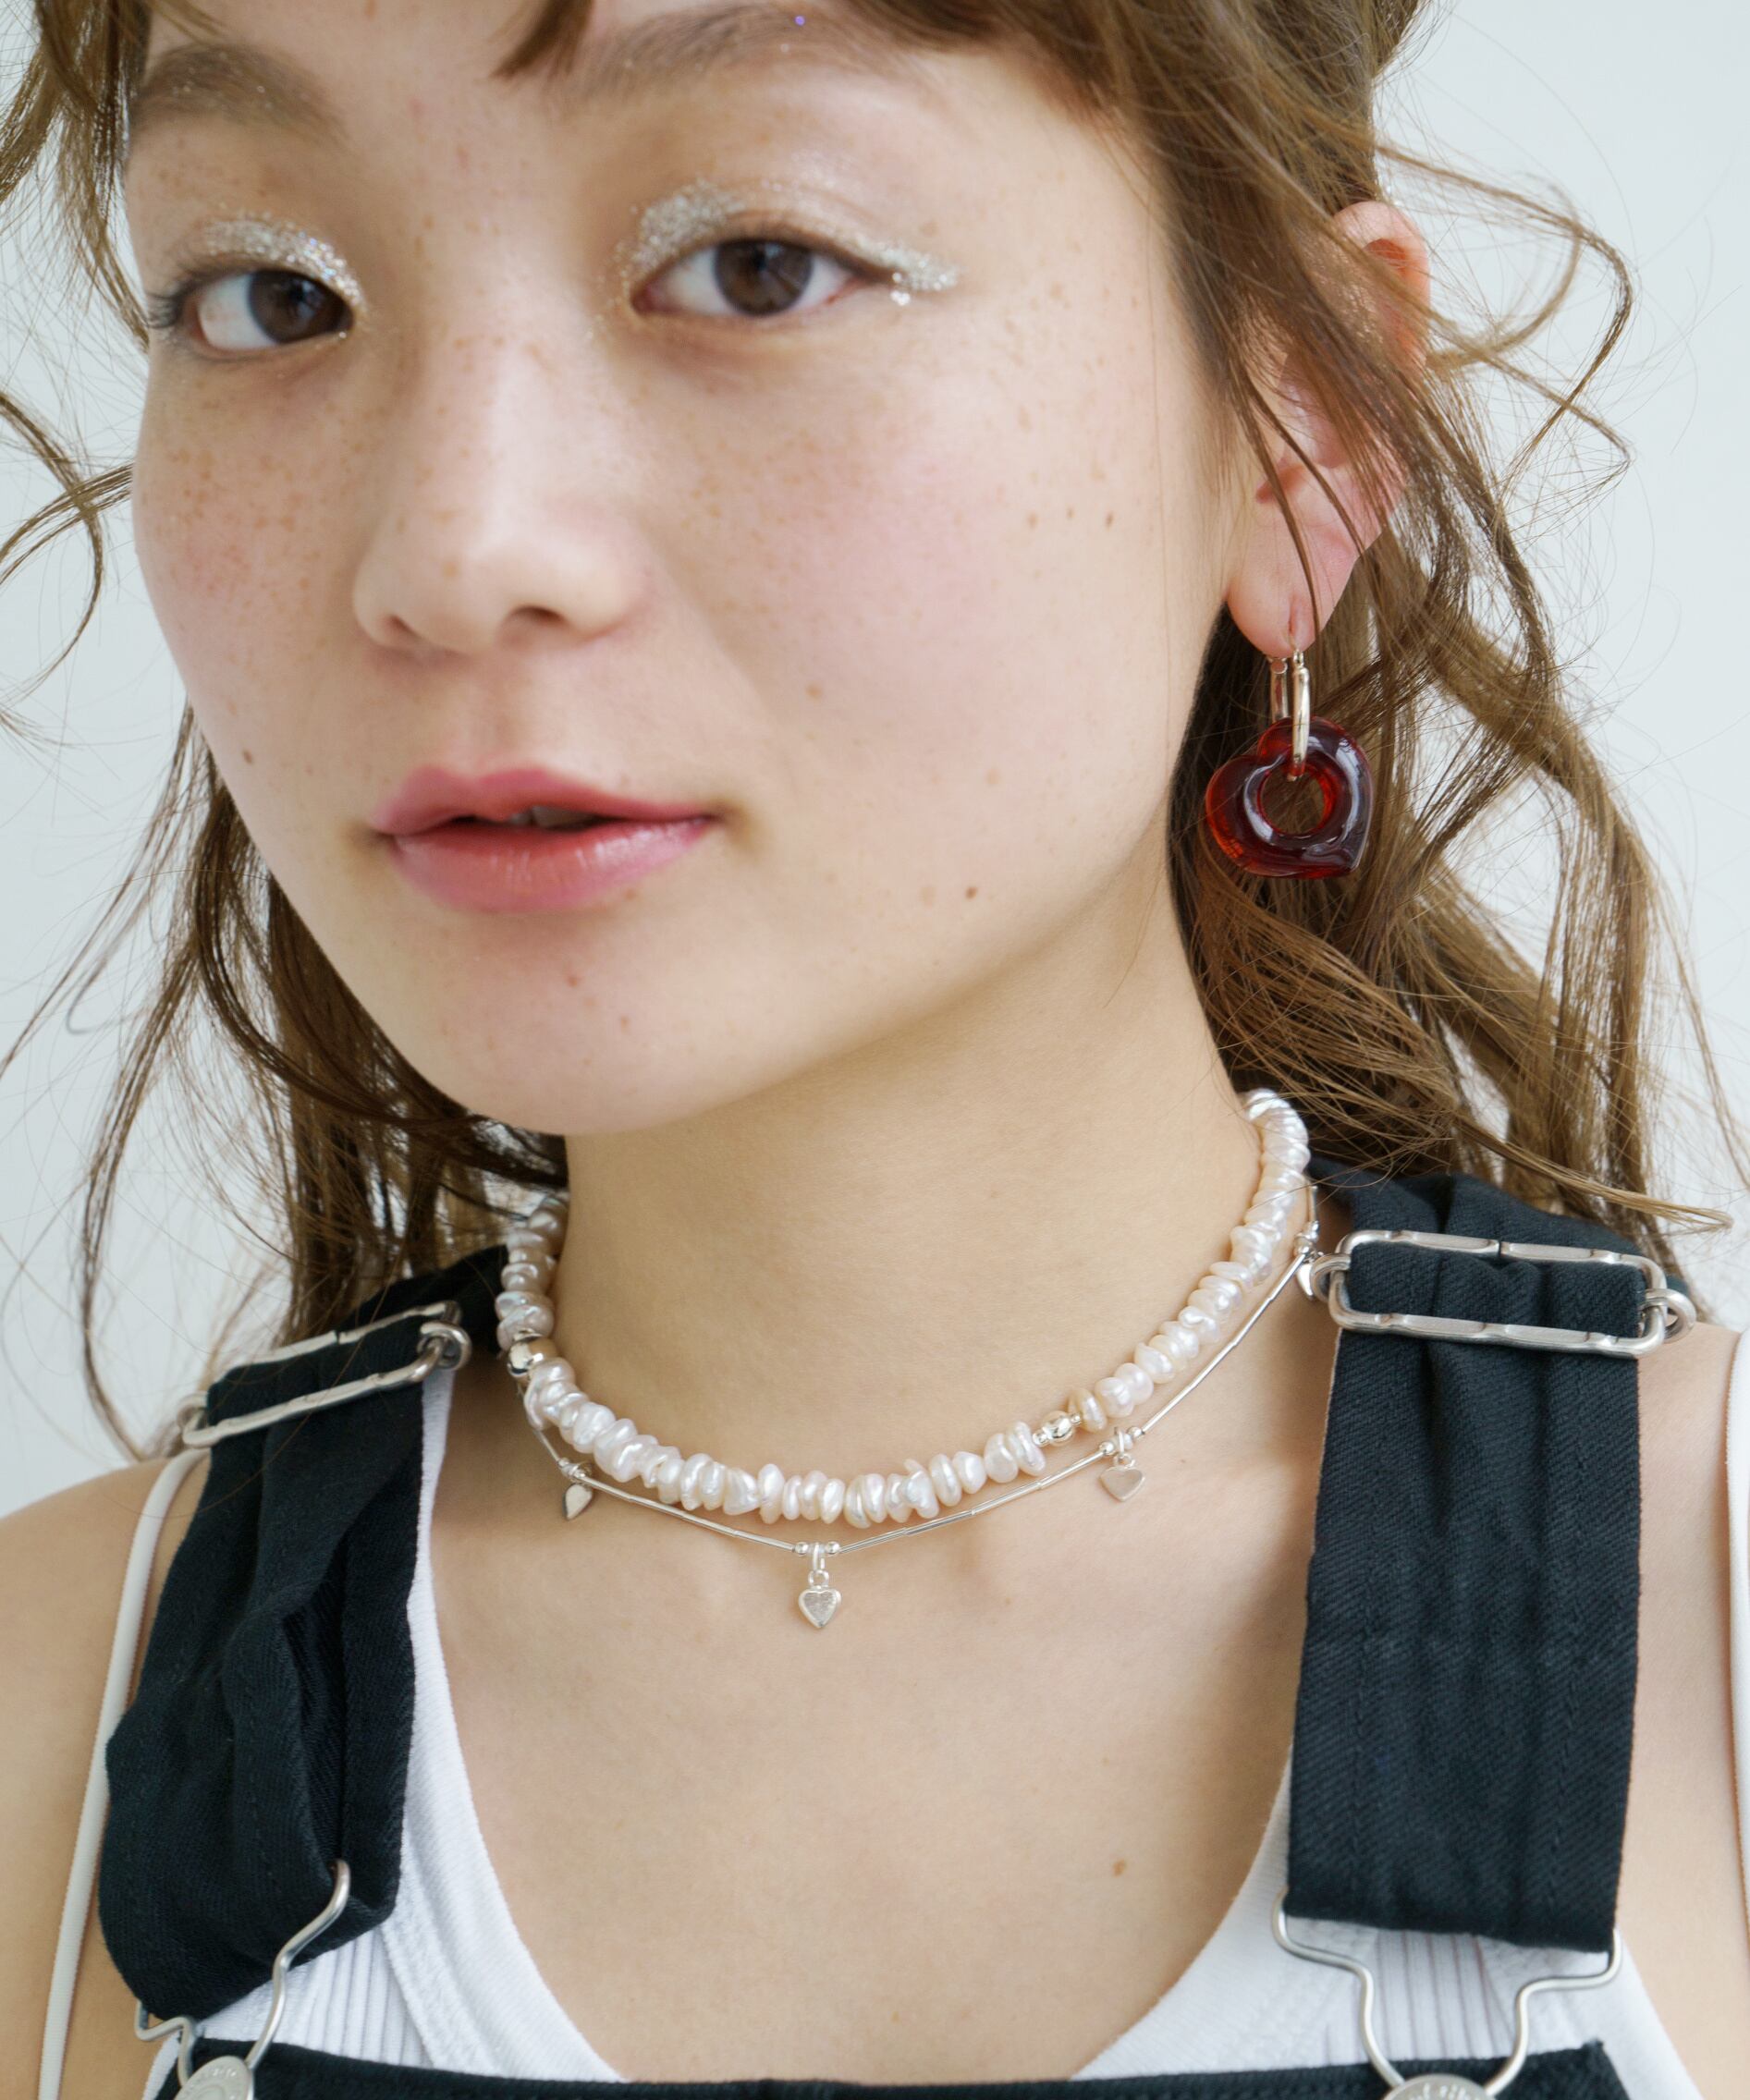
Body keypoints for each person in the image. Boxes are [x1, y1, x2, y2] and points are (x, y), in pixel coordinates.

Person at [2, 1, 1745, 2096]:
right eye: (270, 295)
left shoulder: (1710, 1615)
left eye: (760, 265)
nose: (453, 556)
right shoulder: (45, 1719)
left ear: (1301, 420)